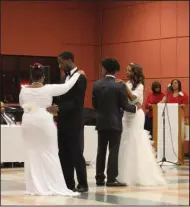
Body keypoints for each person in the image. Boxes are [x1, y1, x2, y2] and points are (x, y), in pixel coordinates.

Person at [19, 62, 82, 196]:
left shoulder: (23, 90)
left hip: (28, 121)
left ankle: (34, 185)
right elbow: (67, 87)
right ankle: (52, 183)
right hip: (44, 121)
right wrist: (77, 75)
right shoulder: (48, 89)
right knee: (50, 152)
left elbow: (22, 104)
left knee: (32, 152)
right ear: (43, 77)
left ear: (31, 76)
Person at [92, 58, 139, 187]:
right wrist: (135, 108)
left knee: (101, 150)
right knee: (113, 150)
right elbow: (124, 105)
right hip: (115, 123)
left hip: (101, 122)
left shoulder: (96, 84)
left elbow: (95, 105)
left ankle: (99, 178)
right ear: (115, 71)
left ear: (105, 69)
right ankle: (111, 179)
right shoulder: (119, 85)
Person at [117, 63, 166, 186]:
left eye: (129, 70)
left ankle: (138, 173)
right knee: (124, 140)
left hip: (136, 116)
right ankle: (123, 172)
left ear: (134, 73)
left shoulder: (139, 86)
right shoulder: (127, 84)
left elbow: (134, 99)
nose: (126, 72)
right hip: (126, 115)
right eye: (126, 70)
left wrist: (124, 87)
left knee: (135, 140)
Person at [47, 51, 88, 193]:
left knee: (76, 153)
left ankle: (83, 184)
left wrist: (58, 108)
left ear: (70, 60)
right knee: (63, 154)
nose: (59, 65)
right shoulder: (63, 79)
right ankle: (68, 183)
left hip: (75, 122)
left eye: (61, 62)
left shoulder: (81, 78)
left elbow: (77, 102)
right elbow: (58, 97)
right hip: (62, 122)